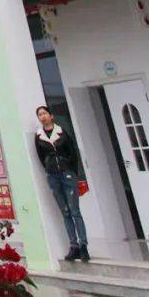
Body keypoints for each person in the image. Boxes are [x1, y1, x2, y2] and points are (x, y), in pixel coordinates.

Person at [35, 105, 90, 262]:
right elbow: (40, 156)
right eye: (40, 114)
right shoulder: (38, 136)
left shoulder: (62, 132)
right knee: (65, 211)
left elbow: (72, 152)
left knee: (75, 210)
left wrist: (74, 173)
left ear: (51, 116)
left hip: (67, 173)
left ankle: (83, 245)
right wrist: (48, 168)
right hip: (53, 175)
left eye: (45, 113)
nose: (43, 116)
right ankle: (73, 246)